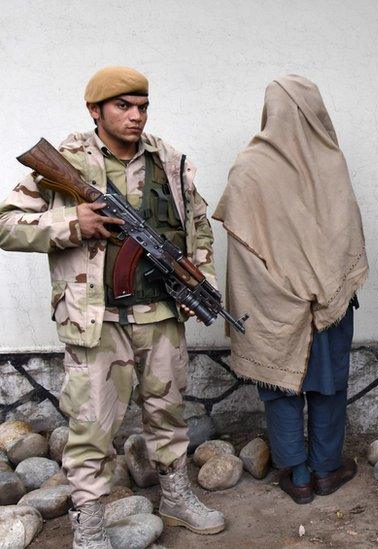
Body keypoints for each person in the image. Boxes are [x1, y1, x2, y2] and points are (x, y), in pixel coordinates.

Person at [0, 66, 224, 547]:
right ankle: (90, 521)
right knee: (91, 427)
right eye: (123, 106)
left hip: (160, 316)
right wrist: (71, 222)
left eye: (142, 106)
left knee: (168, 415)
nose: (136, 116)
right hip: (94, 321)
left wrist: (198, 277)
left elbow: (199, 227)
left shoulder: (173, 161)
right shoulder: (65, 161)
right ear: (94, 110)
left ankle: (176, 498)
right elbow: (6, 224)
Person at [213, 75, 368, 504]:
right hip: (328, 300)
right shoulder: (330, 162)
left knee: (281, 386)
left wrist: (276, 294)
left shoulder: (247, 167)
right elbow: (345, 235)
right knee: (328, 384)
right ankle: (324, 469)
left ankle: (297, 475)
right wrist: (320, 287)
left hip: (269, 303)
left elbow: (243, 250)